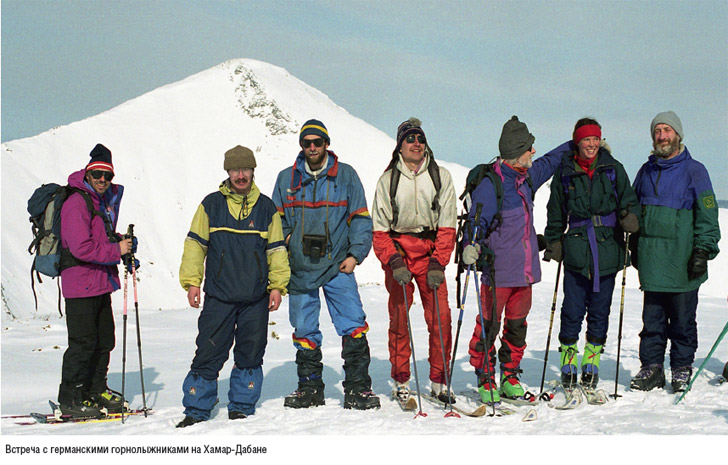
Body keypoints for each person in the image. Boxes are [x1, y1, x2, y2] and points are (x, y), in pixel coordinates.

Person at [177, 145, 290, 427]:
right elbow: (195, 245)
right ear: (227, 172)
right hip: (219, 296)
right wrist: (192, 282)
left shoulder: (266, 208)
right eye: (235, 170)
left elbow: (276, 250)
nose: (241, 175)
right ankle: (196, 408)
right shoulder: (211, 205)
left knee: (251, 353)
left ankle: (241, 406)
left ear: (253, 171)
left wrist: (277, 286)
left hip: (255, 298)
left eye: (245, 169)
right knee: (208, 352)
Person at [272, 119, 380, 410]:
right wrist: (289, 239)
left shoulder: (345, 175)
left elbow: (359, 218)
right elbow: (276, 221)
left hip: (337, 266)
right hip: (300, 268)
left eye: (317, 142)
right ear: (301, 146)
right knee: (304, 329)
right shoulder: (286, 179)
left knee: (354, 325)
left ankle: (358, 389)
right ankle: (309, 389)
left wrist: (355, 256)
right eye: (306, 143)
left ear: (326, 144)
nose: (312, 148)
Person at [460, 116, 563, 404]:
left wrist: (581, 139)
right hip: (498, 273)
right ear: (517, 151)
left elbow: (553, 160)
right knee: (489, 327)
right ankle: (485, 376)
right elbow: (475, 223)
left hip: (525, 272)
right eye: (530, 147)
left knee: (517, 327)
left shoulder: (527, 177)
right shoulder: (492, 184)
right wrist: (470, 246)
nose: (534, 152)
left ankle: (509, 375)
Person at [543, 118, 640, 390]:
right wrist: (554, 241)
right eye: (586, 139)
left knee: (600, 311)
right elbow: (556, 212)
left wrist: (630, 217)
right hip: (575, 249)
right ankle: (568, 360)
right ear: (577, 141)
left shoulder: (613, 169)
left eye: (595, 139)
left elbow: (629, 200)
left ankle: (592, 362)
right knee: (571, 310)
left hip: (608, 250)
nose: (592, 144)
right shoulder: (564, 172)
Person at [629, 111, 720, 393]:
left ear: (677, 134)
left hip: (682, 261)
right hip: (653, 261)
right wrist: (633, 242)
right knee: (652, 321)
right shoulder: (646, 171)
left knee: (682, 321)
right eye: (657, 131)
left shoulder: (696, 171)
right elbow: (633, 210)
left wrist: (702, 251)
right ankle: (652, 368)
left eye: (666, 130)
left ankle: (681, 369)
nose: (661, 136)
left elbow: (708, 215)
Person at [371, 117, 458, 403]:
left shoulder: (440, 176)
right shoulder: (388, 180)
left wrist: (438, 261)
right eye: (410, 139)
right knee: (399, 317)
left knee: (441, 318)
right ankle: (400, 380)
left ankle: (439, 381)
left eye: (420, 138)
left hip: (431, 252)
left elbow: (447, 224)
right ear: (400, 145)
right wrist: (394, 262)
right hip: (399, 253)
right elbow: (380, 229)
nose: (416, 144)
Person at [57, 143, 133, 417]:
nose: (103, 179)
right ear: (88, 173)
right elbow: (80, 247)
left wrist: (120, 242)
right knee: (83, 343)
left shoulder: (98, 202)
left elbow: (99, 240)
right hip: (80, 284)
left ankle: (95, 390)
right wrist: (117, 250)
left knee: (104, 341)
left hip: (99, 282)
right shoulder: (77, 201)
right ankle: (71, 397)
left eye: (107, 176)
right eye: (98, 174)